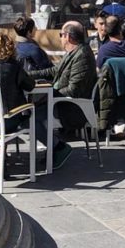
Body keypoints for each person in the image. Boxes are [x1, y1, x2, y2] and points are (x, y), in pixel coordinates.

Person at [30, 21, 97, 166]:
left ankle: (58, 148)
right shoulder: (73, 52)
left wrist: (49, 95)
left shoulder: (82, 55)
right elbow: (54, 71)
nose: (60, 38)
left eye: (61, 35)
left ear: (68, 36)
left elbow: (73, 90)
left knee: (30, 117)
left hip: (72, 107)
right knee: (30, 112)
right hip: (60, 101)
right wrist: (29, 75)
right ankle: (55, 148)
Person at [0, 31, 47, 152]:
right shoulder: (14, 67)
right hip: (8, 123)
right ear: (10, 49)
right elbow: (30, 86)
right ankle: (55, 146)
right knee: (28, 115)